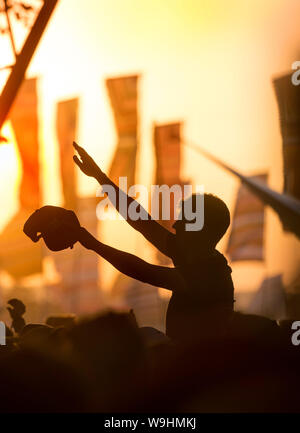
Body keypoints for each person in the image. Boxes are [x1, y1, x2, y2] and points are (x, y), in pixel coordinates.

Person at [71, 142, 234, 343]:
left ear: (200, 230)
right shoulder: (195, 256)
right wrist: (100, 177)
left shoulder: (207, 276)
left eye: (183, 220)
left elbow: (143, 271)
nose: (175, 225)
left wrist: (90, 242)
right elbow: (142, 222)